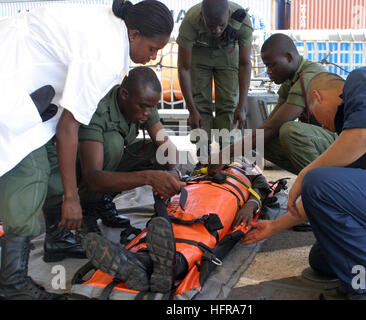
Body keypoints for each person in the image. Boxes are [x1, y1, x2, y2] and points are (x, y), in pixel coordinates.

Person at [0, 0, 175, 300]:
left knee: (53, 172)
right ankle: (12, 285)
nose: (153, 56)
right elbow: (69, 127)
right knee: (31, 176)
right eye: (152, 48)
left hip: (24, 82)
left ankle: (58, 238)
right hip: (9, 85)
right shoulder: (105, 55)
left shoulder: (111, 28)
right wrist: (72, 200)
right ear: (134, 35)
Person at [242, 67, 366, 300]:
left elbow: (360, 139)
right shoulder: (359, 146)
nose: (324, 127)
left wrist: (306, 173)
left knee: (317, 180)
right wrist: (274, 227)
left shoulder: (361, 79)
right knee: (324, 259)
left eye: (316, 117)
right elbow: (327, 195)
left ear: (317, 96)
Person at [80, 160, 272, 294]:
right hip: (193, 196)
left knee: (200, 231)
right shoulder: (204, 168)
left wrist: (250, 206)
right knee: (170, 224)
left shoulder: (248, 168)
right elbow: (185, 180)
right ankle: (145, 263)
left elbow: (263, 189)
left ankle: (158, 263)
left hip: (223, 199)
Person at [208, 33, 336, 176]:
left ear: (288, 58)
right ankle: (311, 178)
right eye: (267, 66)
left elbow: (272, 127)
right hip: (325, 142)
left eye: (272, 65)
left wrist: (224, 155)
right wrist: (229, 153)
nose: (269, 72)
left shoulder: (307, 77)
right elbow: (268, 127)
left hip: (344, 143)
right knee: (264, 140)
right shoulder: (292, 78)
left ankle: (325, 182)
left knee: (290, 131)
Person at [78, 66, 185, 234]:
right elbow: (92, 177)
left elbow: (166, 146)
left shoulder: (144, 103)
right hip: (82, 171)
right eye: (143, 106)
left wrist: (174, 172)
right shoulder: (99, 110)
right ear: (124, 95)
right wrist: (150, 177)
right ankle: (87, 211)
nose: (147, 113)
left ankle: (105, 202)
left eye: (151, 107)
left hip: (111, 165)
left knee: (157, 154)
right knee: (113, 143)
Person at [177, 0, 253, 158]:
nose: (216, 30)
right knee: (200, 104)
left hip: (228, 52)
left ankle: (227, 155)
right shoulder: (190, 21)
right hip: (199, 52)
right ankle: (203, 155)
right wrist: (192, 110)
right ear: (202, 17)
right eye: (210, 26)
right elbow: (184, 68)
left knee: (228, 104)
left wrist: (241, 105)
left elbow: (245, 64)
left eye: (221, 25)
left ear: (229, 16)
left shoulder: (243, 20)